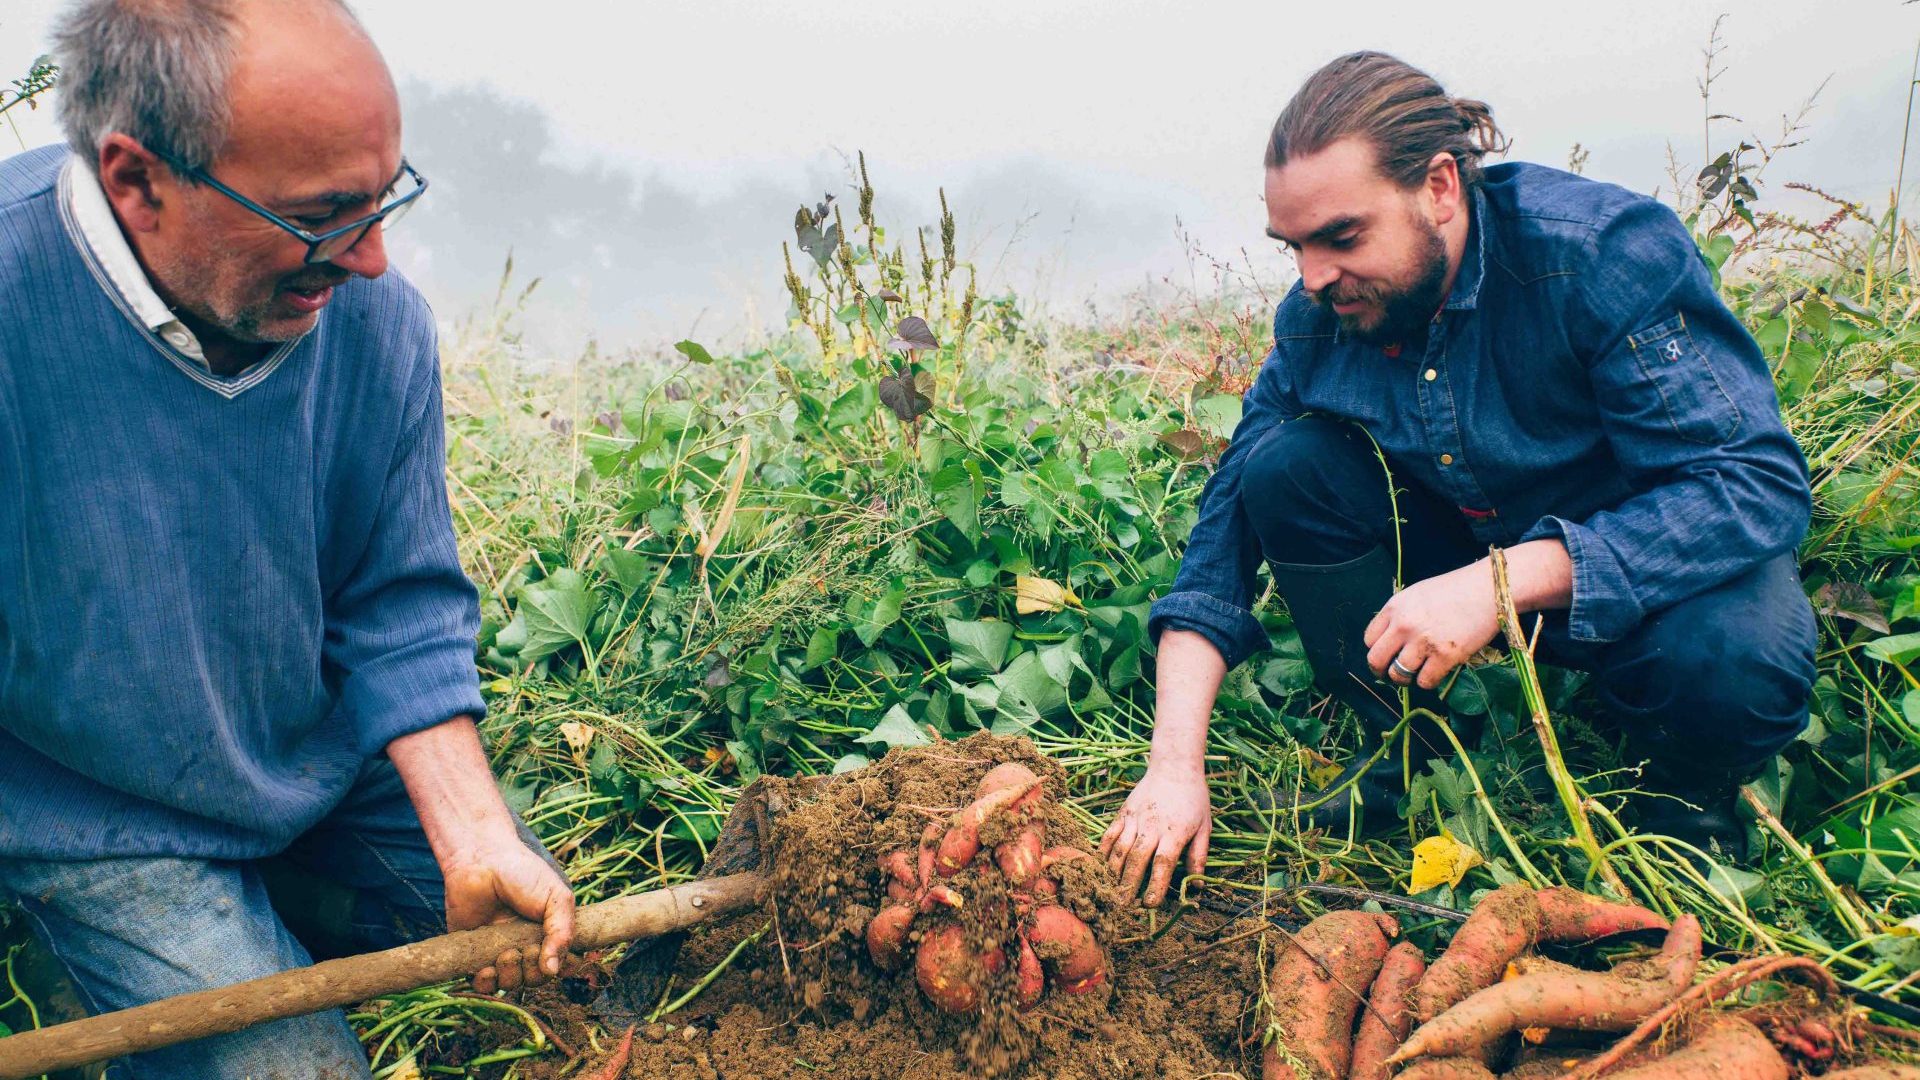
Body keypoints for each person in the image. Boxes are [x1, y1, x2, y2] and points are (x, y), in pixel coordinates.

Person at [0, 1, 575, 1074]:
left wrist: (471, 832)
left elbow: (395, 600)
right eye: (324, 216)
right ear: (137, 179)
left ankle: (297, 883)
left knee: (570, 990)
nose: (369, 260)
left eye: (384, 198)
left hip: (321, 759)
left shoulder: (375, 320)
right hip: (100, 812)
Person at [1102, 51, 1817, 906]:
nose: (1313, 278)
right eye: (1294, 246)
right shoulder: (1318, 319)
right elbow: (1220, 543)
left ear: (1440, 188)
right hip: (1467, 554)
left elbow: (1753, 482)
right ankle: (1407, 763)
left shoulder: (1597, 255)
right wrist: (1173, 768)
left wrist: (1502, 583)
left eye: (1342, 237)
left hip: (1642, 580)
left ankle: (1681, 815)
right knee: (1282, 467)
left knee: (1737, 658)